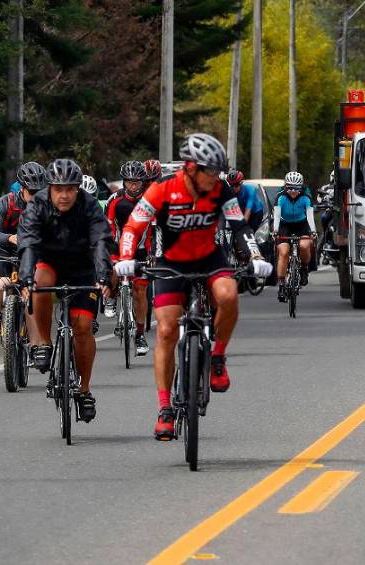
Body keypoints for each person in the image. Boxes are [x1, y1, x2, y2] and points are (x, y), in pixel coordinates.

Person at [113, 133, 272, 440]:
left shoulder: (221, 189)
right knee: (167, 330)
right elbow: (134, 226)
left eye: (217, 172)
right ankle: (165, 409)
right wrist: (125, 258)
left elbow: (239, 226)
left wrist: (254, 255)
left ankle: (217, 356)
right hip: (170, 263)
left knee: (228, 295)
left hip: (210, 259)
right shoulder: (162, 190)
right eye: (210, 172)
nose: (215, 178)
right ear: (191, 168)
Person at [17, 158, 113, 423]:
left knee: (82, 327)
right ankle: (43, 344)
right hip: (50, 263)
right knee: (38, 281)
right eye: (59, 189)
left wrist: (104, 275)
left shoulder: (89, 205)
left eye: (71, 189)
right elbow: (28, 242)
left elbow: (102, 240)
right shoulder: (37, 205)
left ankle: (83, 390)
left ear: (78, 189)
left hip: (83, 266)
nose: (65, 195)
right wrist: (25, 278)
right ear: (49, 188)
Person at [0, 161, 47, 336]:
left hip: (33, 252)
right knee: (0, 285)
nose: (36, 196)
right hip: (7, 251)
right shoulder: (7, 202)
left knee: (36, 290)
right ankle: (1, 314)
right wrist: (10, 238)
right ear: (22, 188)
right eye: (32, 192)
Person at [103, 160, 153, 355]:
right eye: (129, 182)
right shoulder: (114, 199)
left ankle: (140, 335)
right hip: (118, 245)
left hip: (141, 250)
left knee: (140, 291)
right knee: (114, 269)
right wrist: (110, 253)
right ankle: (112, 297)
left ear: (143, 182)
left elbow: (155, 230)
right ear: (124, 182)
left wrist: (153, 255)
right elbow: (108, 228)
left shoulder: (150, 200)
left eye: (137, 182)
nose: (133, 186)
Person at [273, 171, 317, 302]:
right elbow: (276, 215)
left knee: (304, 245)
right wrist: (275, 230)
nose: (293, 191)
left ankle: (304, 268)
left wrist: (313, 231)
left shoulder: (306, 197)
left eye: (296, 188)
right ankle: (281, 285)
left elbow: (310, 216)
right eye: (290, 188)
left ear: (301, 188)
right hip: (284, 224)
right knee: (284, 251)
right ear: (285, 187)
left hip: (302, 224)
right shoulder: (280, 197)